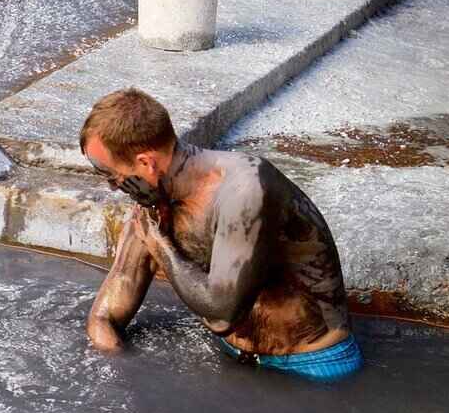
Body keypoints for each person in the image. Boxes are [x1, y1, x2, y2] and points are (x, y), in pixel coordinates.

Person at [81, 88, 362, 380]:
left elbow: (222, 314)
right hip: (230, 358)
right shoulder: (153, 203)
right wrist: (118, 374)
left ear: (146, 163)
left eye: (114, 175)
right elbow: (106, 313)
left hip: (315, 367)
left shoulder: (246, 189)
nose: (114, 187)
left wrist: (161, 248)